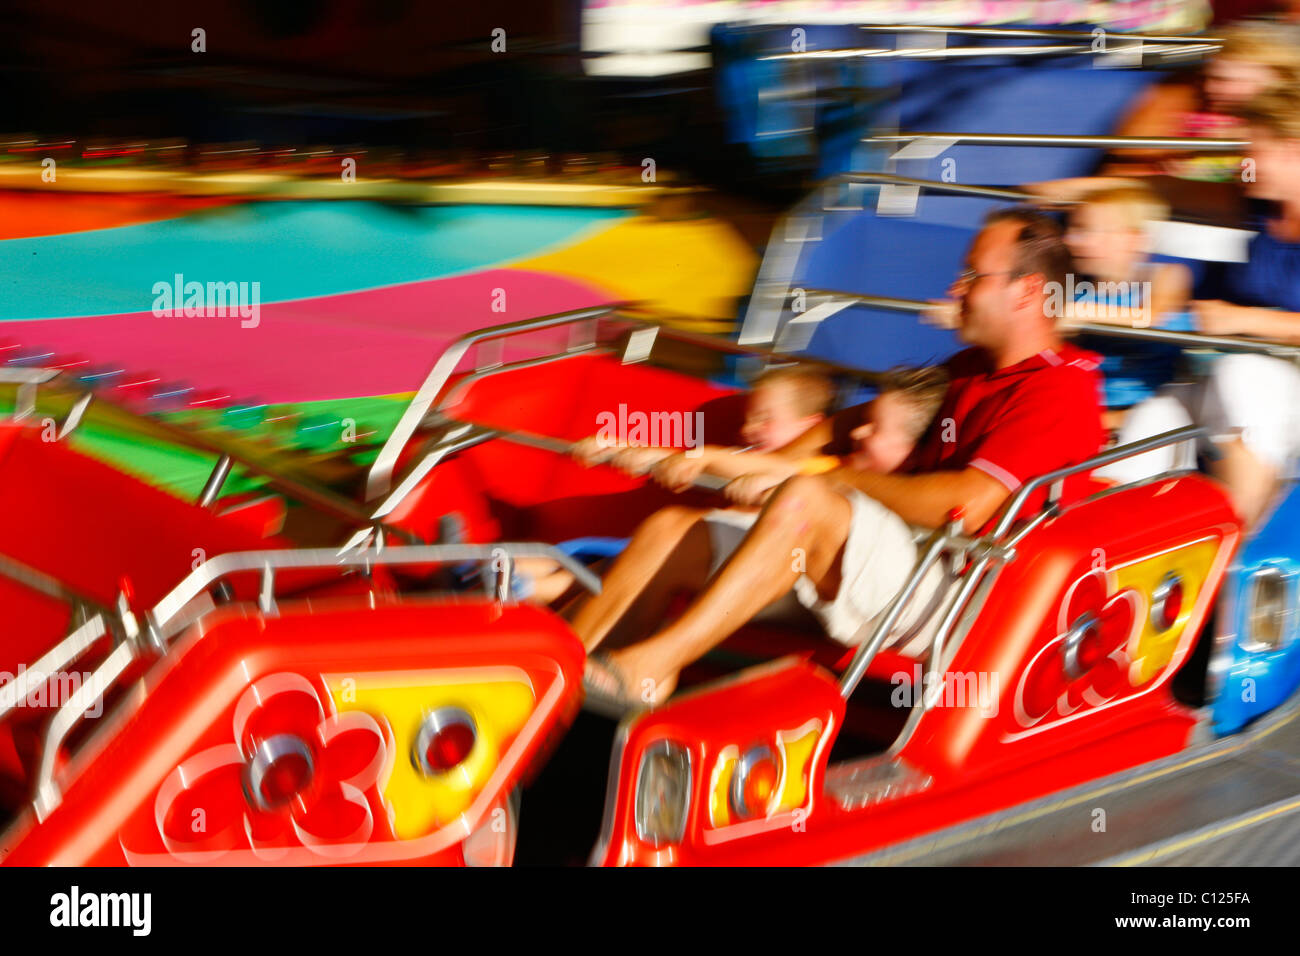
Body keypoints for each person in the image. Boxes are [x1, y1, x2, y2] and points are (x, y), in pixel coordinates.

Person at [578, 208, 1105, 709]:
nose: (955, 289)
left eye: (973, 275)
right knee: (672, 529)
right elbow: (840, 427)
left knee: (808, 500)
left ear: (1028, 290)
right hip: (903, 562)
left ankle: (651, 668)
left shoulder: (1058, 391)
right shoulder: (972, 368)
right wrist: (759, 467)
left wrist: (820, 480)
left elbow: (964, 507)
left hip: (964, 590)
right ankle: (556, 672)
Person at [1100, 85, 1300, 526]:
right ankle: (1107, 549)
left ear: (1291, 149)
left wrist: (1248, 320)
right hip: (1230, 375)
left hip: (1270, 379)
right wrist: (1163, 294)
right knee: (1154, 417)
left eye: (1254, 152)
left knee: (1243, 378)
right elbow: (1183, 273)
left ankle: (1235, 547)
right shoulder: (1250, 212)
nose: (1243, 165)